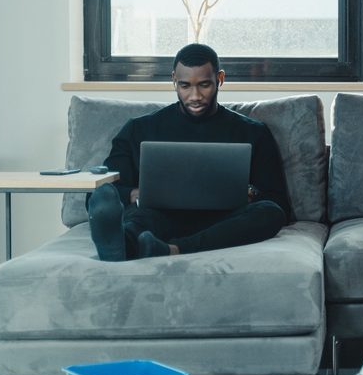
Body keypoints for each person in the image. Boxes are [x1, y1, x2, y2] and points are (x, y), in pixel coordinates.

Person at [87, 43, 290, 261]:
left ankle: (172, 249)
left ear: (220, 79)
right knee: (136, 217)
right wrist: (133, 194)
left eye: (204, 85)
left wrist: (249, 192)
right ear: (174, 79)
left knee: (270, 212)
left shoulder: (252, 132)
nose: (195, 96)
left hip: (221, 221)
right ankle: (119, 244)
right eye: (185, 86)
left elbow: (279, 202)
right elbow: (100, 193)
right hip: (161, 217)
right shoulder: (140, 129)